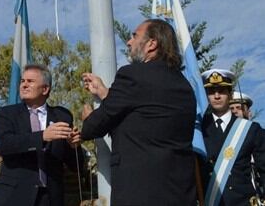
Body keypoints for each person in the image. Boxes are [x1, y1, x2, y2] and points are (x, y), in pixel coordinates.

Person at [79, 18, 197, 205]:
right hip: (179, 193)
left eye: (135, 36)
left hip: (140, 193)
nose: (129, 41)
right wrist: (105, 93)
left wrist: (89, 117)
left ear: (152, 44)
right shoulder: (185, 86)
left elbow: (92, 128)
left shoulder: (132, 75)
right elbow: (145, 115)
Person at [0, 63, 83, 206]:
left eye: (30, 81)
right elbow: (3, 144)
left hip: (51, 198)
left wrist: (74, 146)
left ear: (45, 89)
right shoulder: (7, 113)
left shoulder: (62, 116)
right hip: (14, 197)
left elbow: (75, 165)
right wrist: (41, 137)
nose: (24, 85)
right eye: (22, 81)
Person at [200, 69, 265, 206]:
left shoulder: (250, 129)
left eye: (222, 91)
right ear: (206, 96)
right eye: (212, 92)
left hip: (241, 201)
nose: (217, 96)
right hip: (209, 201)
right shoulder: (199, 129)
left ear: (230, 95)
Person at [229, 91, 265, 198]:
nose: (235, 111)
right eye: (231, 109)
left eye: (239, 108)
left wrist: (261, 166)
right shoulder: (226, 140)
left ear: (249, 113)